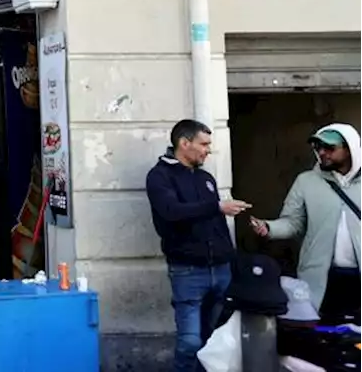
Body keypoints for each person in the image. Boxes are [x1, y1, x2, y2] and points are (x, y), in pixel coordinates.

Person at [146, 119, 250, 372]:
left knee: (216, 341)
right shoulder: (159, 176)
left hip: (221, 269)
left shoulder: (206, 178)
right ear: (184, 143)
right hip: (187, 271)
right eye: (203, 144)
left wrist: (232, 260)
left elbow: (217, 225)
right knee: (191, 341)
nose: (208, 150)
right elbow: (171, 211)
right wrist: (216, 207)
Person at [250, 123, 361, 324]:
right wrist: (269, 228)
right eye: (318, 148)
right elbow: (293, 222)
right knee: (325, 336)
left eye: (330, 148)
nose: (322, 153)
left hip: (358, 277)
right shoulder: (306, 181)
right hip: (324, 278)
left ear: (350, 148)